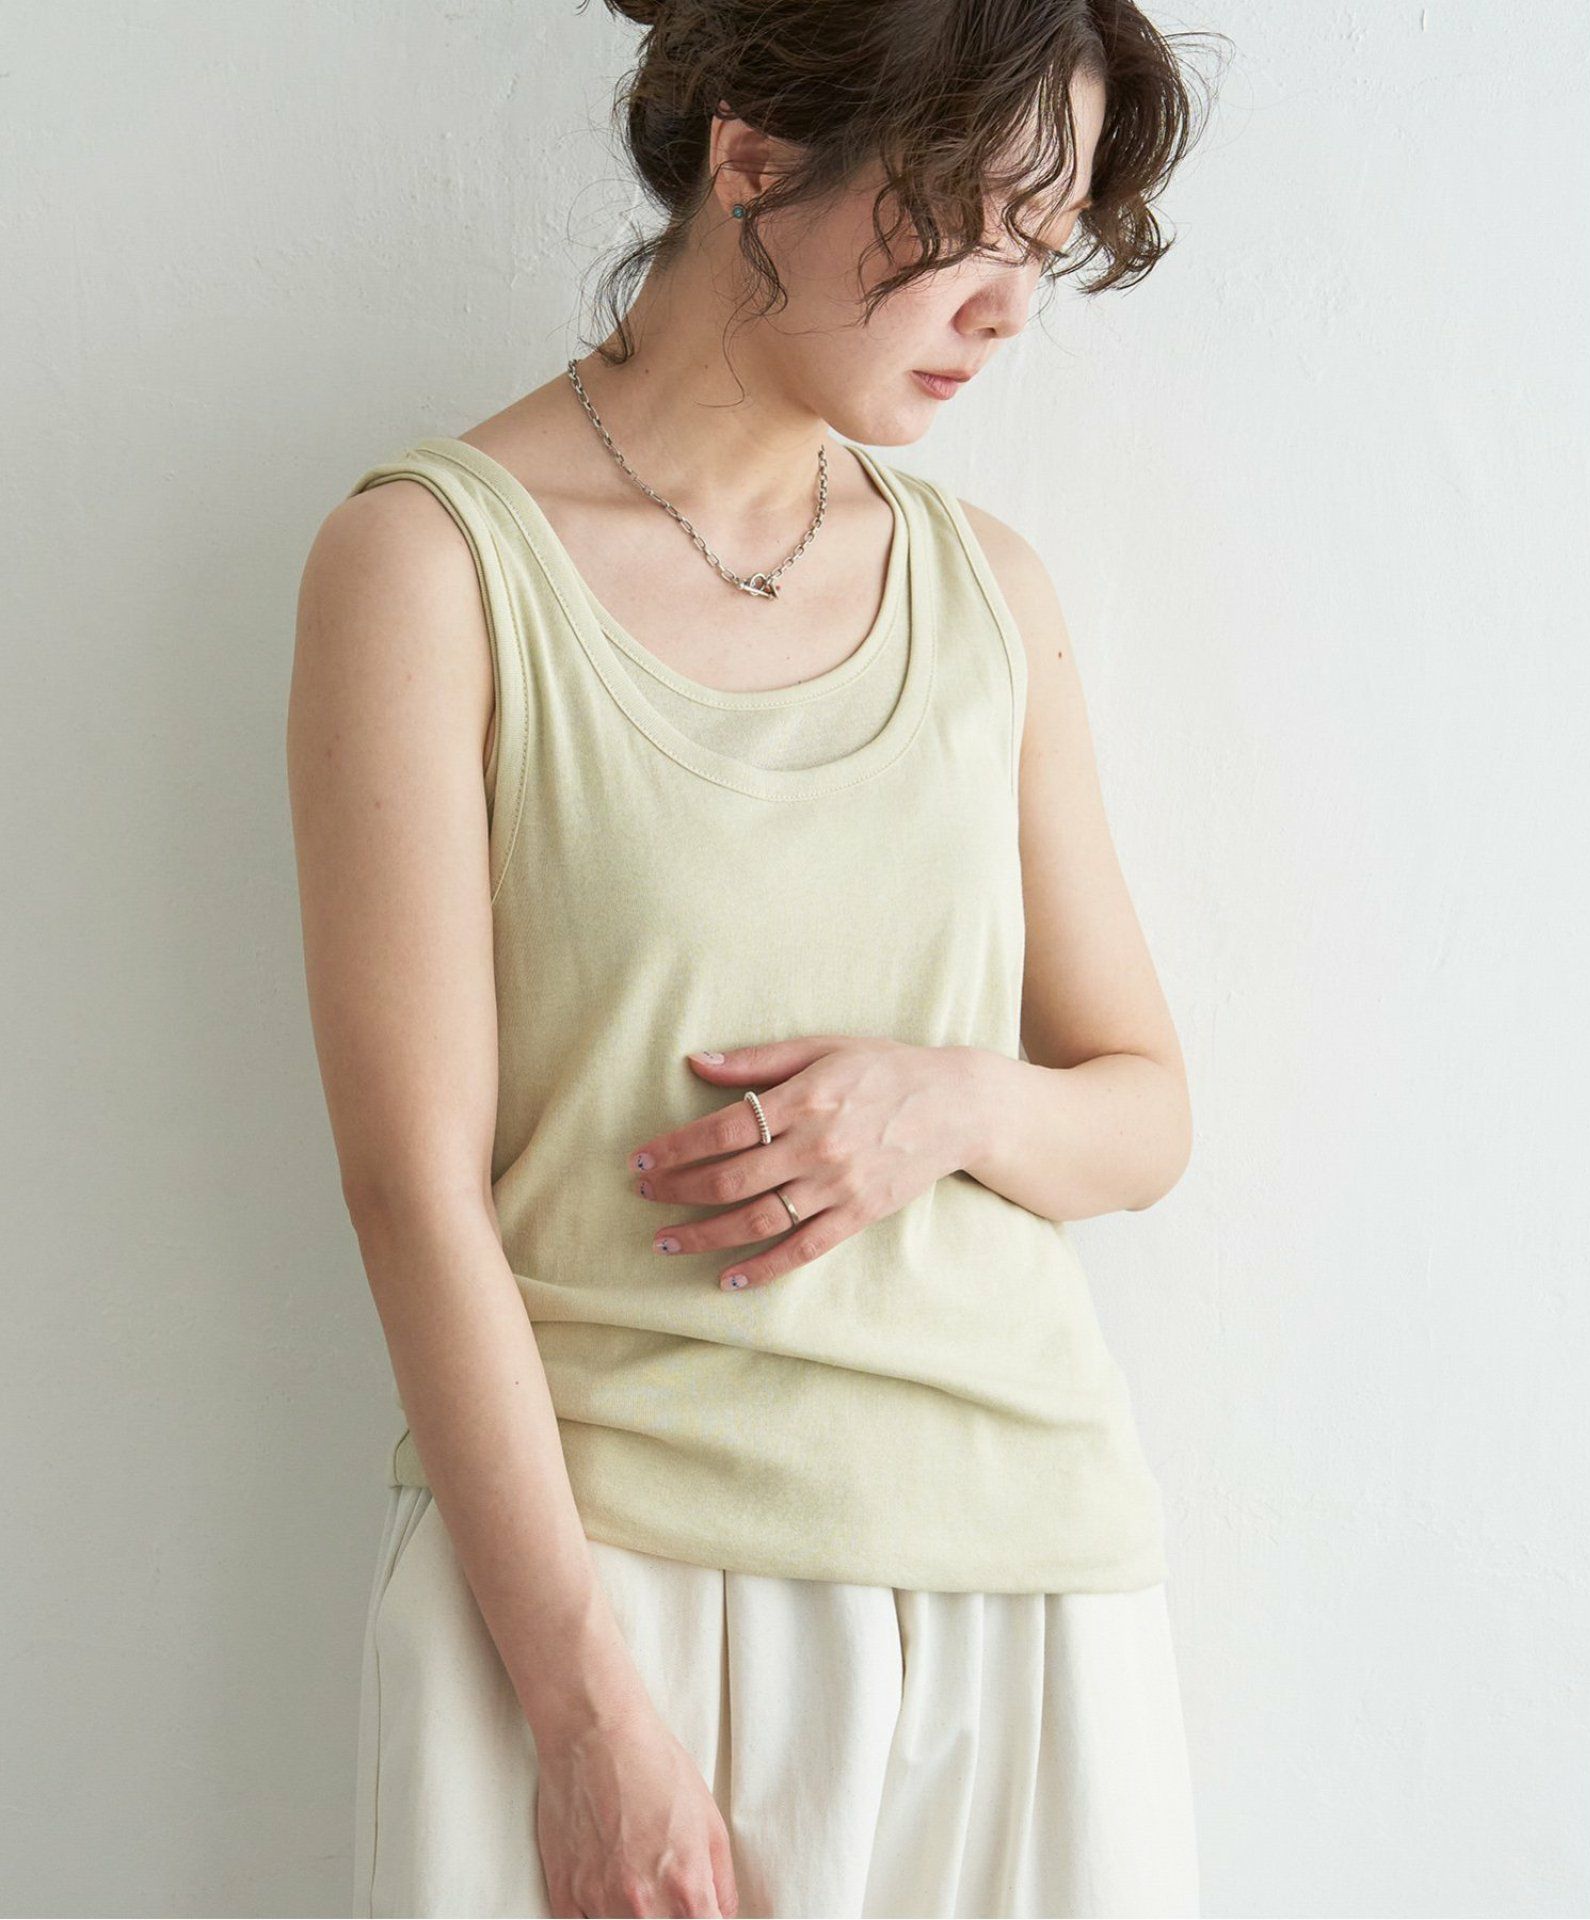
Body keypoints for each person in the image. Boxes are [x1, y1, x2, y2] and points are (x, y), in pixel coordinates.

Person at [288, 2, 1215, 1914]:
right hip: (599, 1595)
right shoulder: (432, 566)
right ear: (756, 154)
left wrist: (946, 1108)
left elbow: (1144, 1113)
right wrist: (584, 1721)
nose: (1005, 310)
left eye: (1047, 251)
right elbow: (408, 1189)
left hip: (1023, 1580)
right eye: (967, 225)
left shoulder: (987, 592)